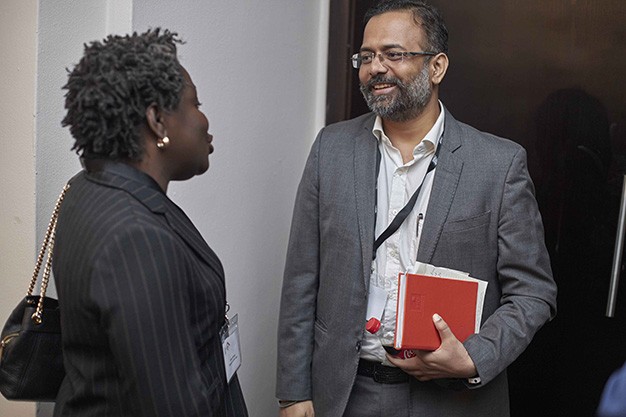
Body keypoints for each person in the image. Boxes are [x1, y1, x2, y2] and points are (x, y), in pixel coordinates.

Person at [276, 1, 557, 416]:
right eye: (366, 57)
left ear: (437, 67)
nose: (376, 68)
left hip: (453, 401)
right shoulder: (330, 150)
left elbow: (533, 292)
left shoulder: (498, 165)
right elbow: (302, 278)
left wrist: (474, 357)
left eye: (393, 54)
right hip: (345, 394)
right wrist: (293, 392)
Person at [53, 29, 248, 417]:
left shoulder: (88, 187)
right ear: (157, 120)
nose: (204, 120)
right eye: (195, 104)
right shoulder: (136, 237)